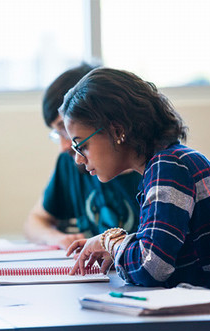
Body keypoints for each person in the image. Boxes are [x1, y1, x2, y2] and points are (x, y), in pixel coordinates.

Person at [62, 67, 210, 296]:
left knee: (93, 327)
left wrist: (110, 242)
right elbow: (160, 252)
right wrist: (118, 247)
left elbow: (150, 268)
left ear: (117, 130)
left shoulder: (168, 168)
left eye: (82, 145)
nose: (78, 158)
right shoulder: (173, 161)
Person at [24, 64, 141, 249]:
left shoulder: (154, 169)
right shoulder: (69, 163)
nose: (65, 147)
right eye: (58, 132)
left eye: (65, 127)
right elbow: (34, 222)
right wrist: (55, 237)